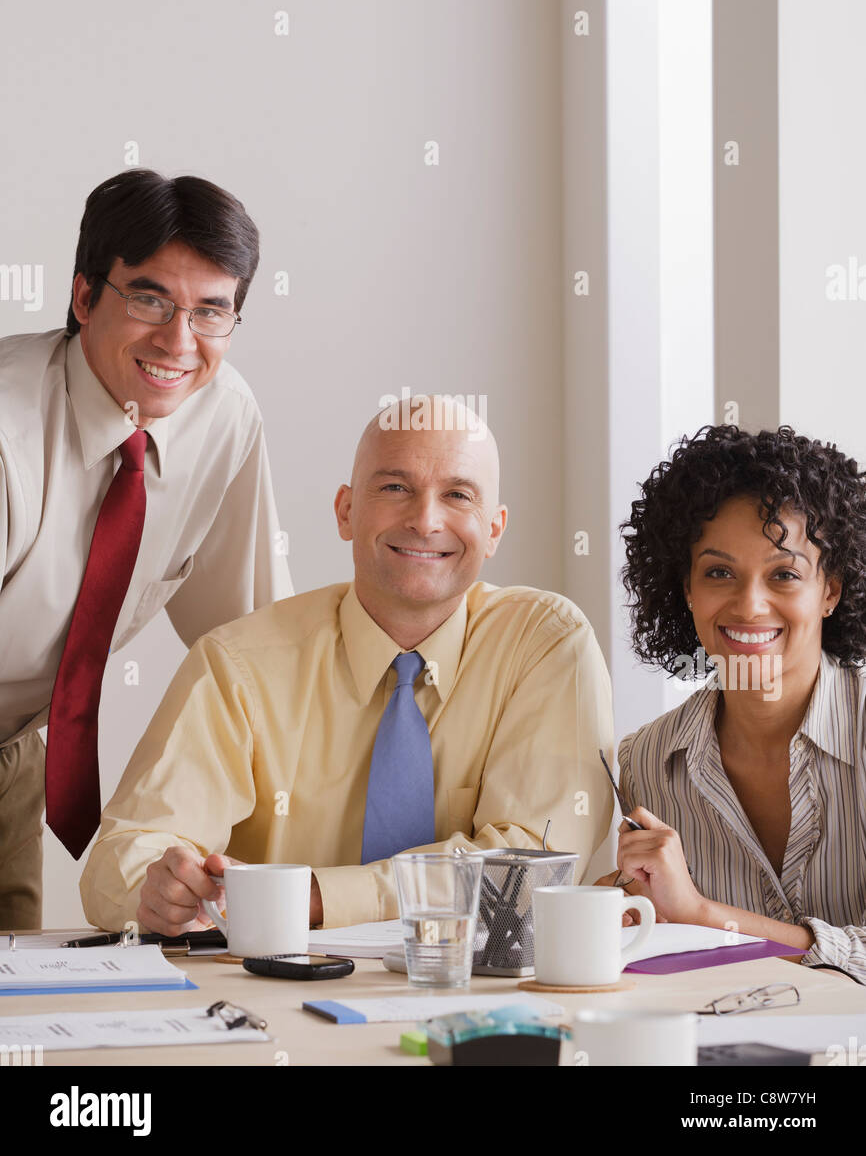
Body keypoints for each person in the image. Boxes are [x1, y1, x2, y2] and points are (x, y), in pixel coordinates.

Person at [80, 396, 614, 933]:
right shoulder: (237, 665)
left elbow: (530, 870)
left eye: (458, 495)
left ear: (494, 530)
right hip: (272, 996)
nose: (426, 520)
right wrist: (157, 890)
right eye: (394, 488)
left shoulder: (546, 644)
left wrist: (315, 899)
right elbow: (120, 860)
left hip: (482, 995)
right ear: (345, 511)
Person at [0, 168, 292, 928]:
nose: (178, 340)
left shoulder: (222, 417)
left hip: (11, 755)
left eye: (210, 311)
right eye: (149, 298)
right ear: (84, 295)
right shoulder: (7, 439)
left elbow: (250, 645)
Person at [608, 424, 866, 984]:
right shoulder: (648, 761)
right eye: (719, 572)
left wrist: (703, 915)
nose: (749, 605)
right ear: (686, 589)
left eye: (784, 574)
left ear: (830, 591)